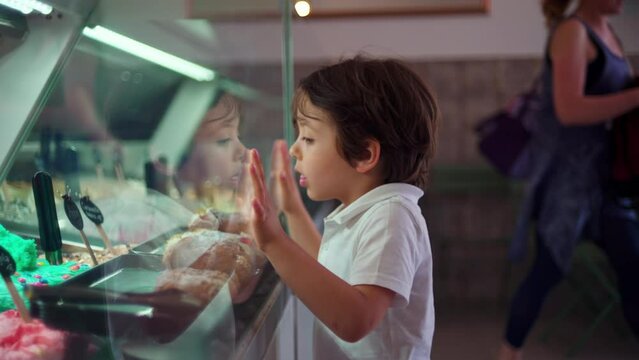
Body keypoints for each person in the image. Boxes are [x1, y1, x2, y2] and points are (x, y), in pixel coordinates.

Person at [246, 56, 438, 359]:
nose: (295, 148)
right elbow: (329, 272)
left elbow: (355, 319)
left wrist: (273, 241)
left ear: (363, 153)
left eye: (308, 138)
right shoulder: (367, 210)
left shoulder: (392, 216)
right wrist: (293, 210)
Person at [500, 1, 639, 359]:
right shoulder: (572, 33)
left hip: (605, 182)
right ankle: (508, 352)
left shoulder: (610, 34)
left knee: (633, 266)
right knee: (547, 269)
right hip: (568, 184)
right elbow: (569, 108)